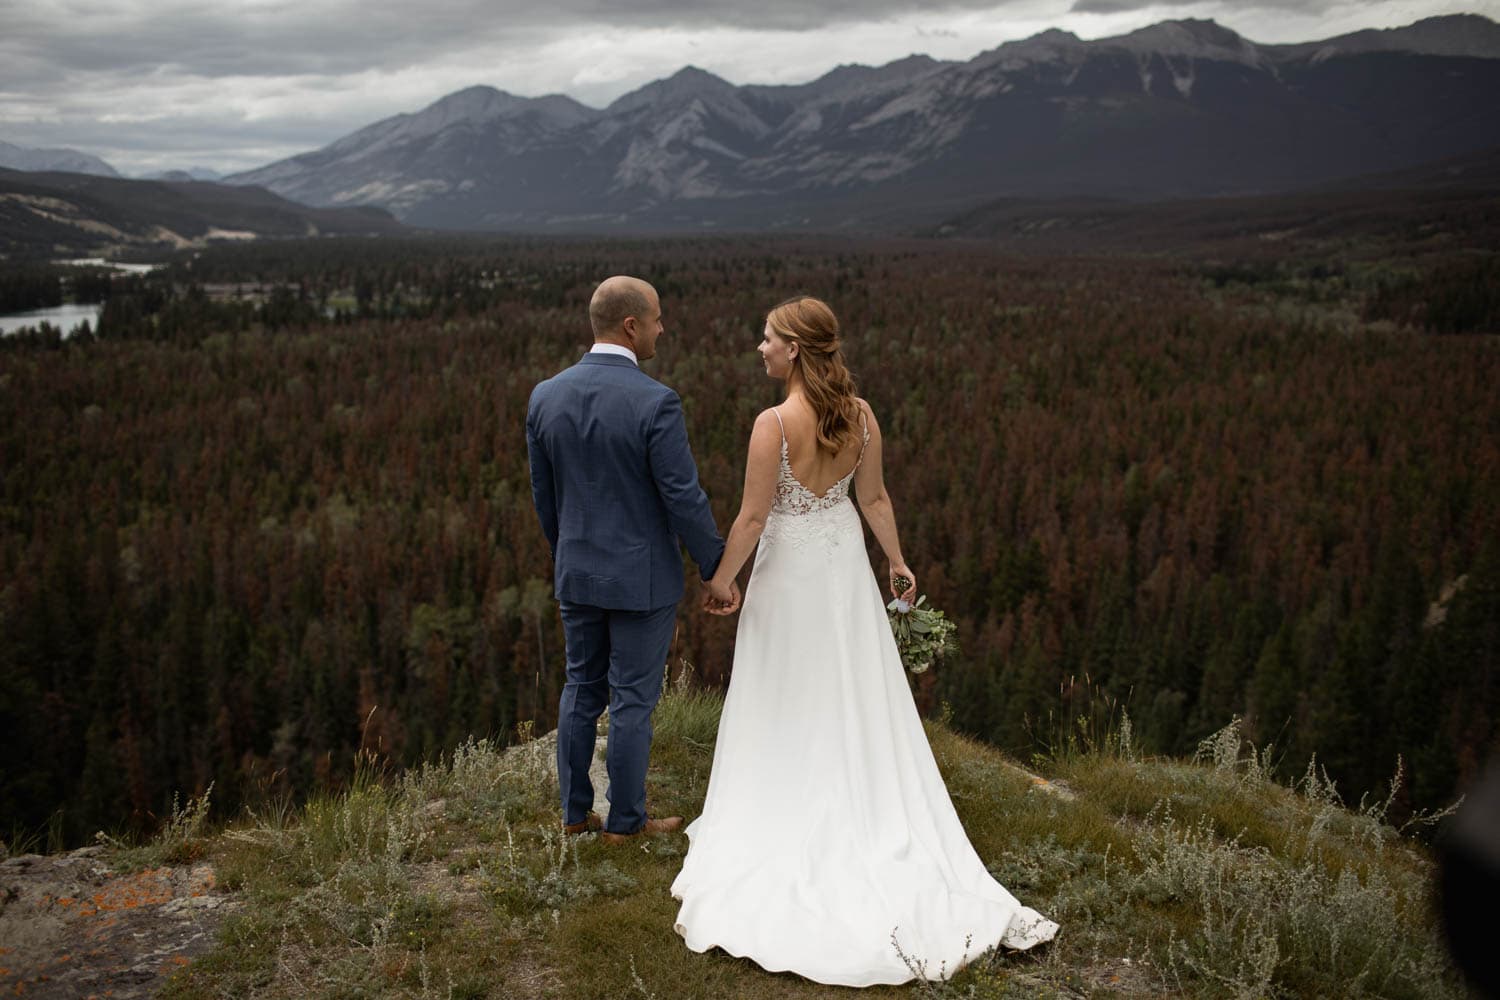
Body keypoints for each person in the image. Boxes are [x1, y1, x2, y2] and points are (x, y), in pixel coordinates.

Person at [671, 296, 1057, 986]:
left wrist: (723, 582)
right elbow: (873, 500)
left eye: (766, 339)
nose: (758, 348)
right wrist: (897, 561)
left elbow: (754, 517)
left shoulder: (773, 424)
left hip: (790, 573)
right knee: (850, 685)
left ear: (794, 349)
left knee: (784, 689)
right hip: (844, 567)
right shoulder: (862, 415)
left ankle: (788, 800)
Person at [526, 275, 739, 844]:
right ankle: (625, 824)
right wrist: (716, 569)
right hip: (642, 581)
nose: (662, 328)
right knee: (631, 702)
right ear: (631, 325)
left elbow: (545, 498)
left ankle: (575, 816)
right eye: (657, 319)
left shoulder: (545, 394)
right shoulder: (655, 401)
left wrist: (569, 551)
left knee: (580, 689)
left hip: (577, 571)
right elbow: (684, 498)